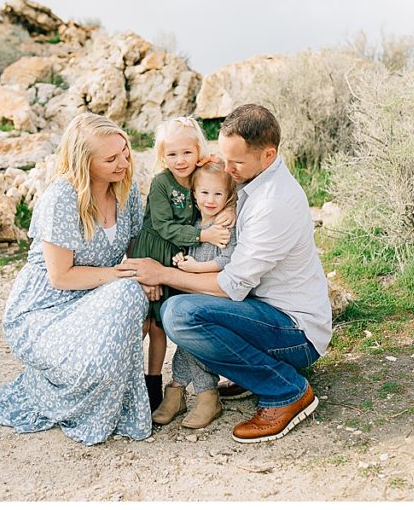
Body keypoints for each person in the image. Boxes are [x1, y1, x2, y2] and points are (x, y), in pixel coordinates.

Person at [127, 103, 332, 443]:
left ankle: (286, 390)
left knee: (179, 314)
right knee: (187, 303)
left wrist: (161, 273)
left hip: (296, 332)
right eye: (224, 156)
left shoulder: (272, 204)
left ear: (268, 156)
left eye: (236, 162)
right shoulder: (253, 182)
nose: (227, 167)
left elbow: (231, 285)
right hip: (268, 314)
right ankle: (249, 371)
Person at [0, 113, 154, 446]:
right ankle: (73, 399)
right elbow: (60, 276)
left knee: (133, 294)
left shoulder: (127, 189)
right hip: (44, 309)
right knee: (126, 293)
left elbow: (134, 252)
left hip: (93, 296)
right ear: (84, 163)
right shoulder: (61, 199)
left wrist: (147, 280)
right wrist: (118, 277)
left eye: (124, 151)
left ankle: (117, 397)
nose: (123, 162)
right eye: (110, 158)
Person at [129, 116, 234, 412]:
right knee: (144, 322)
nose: (180, 160)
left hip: (179, 259)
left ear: (198, 150)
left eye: (187, 153)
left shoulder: (202, 174)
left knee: (164, 324)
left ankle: (157, 386)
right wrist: (203, 234)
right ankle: (129, 383)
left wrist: (232, 209)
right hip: (154, 252)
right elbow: (162, 226)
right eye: (172, 154)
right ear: (163, 156)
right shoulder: (162, 182)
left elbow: (227, 186)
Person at [151, 159, 238, 429]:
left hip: (216, 297)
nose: (210, 200)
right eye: (204, 193)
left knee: (193, 339)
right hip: (195, 294)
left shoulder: (226, 226)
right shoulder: (195, 225)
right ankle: (179, 392)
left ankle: (204, 394)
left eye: (218, 194)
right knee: (185, 339)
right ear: (194, 195)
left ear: (229, 197)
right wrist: (182, 260)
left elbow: (227, 260)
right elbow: (191, 252)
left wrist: (197, 267)